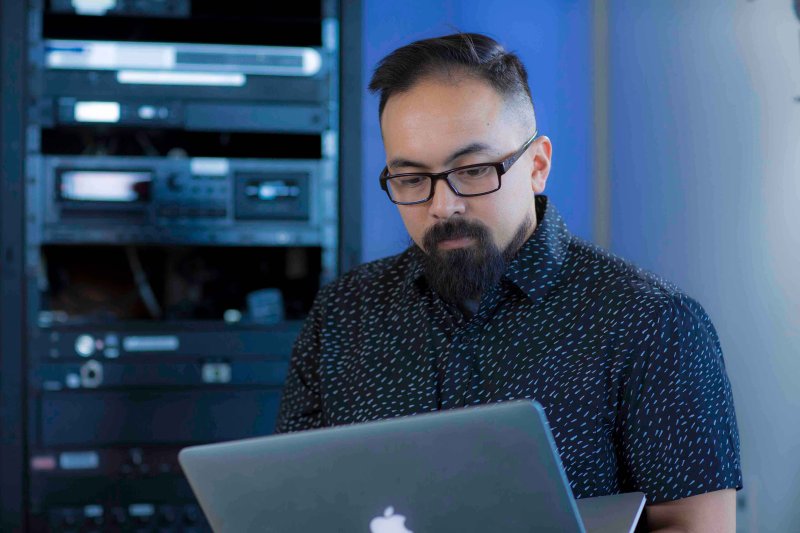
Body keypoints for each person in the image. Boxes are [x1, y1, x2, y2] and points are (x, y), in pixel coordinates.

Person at [276, 33, 742, 531]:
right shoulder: (344, 312)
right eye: (411, 179)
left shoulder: (653, 323)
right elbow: (294, 506)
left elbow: (693, 525)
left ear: (537, 165)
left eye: (473, 170)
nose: (443, 206)